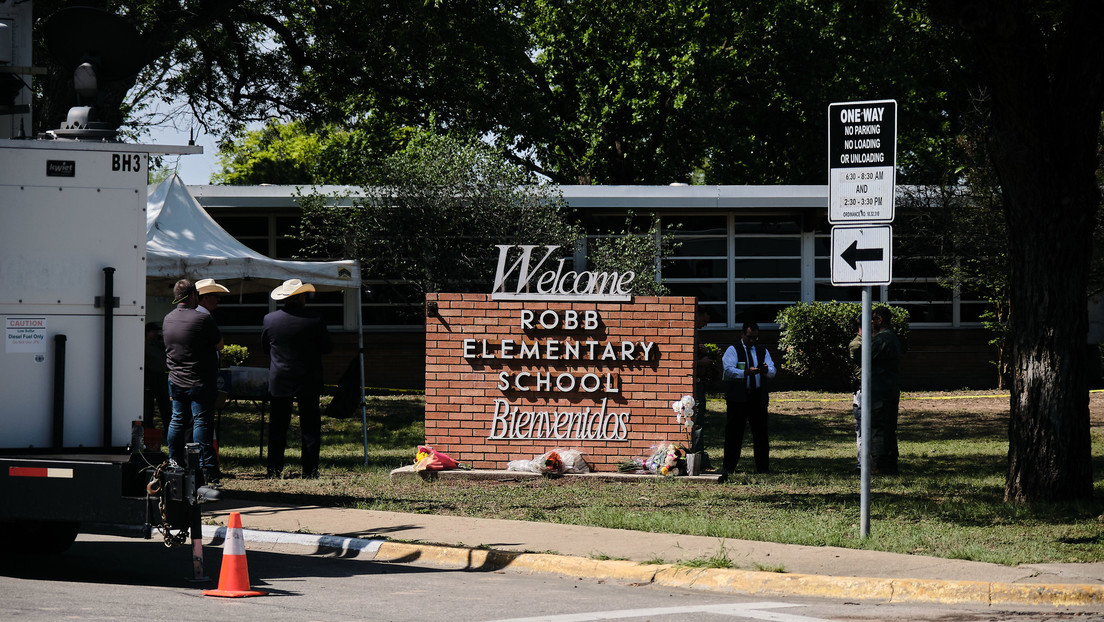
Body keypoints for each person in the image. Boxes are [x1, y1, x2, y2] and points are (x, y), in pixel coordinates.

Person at [262, 279, 332, 479]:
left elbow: (266, 348)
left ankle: (274, 470)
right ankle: (309, 471)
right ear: (300, 296)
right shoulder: (315, 319)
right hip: (308, 377)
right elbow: (327, 347)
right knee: (310, 427)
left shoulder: (270, 319)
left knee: (278, 426)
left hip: (280, 377)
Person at [162, 279, 224, 485]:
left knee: (177, 420)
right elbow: (220, 345)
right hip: (200, 380)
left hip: (176, 379)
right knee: (201, 422)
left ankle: (174, 461)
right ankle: (207, 469)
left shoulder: (168, 319)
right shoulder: (202, 319)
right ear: (193, 296)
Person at [720, 322, 776, 476]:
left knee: (761, 434)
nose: (752, 341)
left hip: (757, 396)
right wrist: (745, 372)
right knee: (734, 433)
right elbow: (728, 370)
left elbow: (773, 371)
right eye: (750, 337)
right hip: (738, 397)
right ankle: (729, 467)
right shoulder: (733, 349)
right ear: (742, 334)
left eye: (755, 338)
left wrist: (766, 370)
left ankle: (763, 468)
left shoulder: (762, 350)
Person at [853, 306, 902, 474]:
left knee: (878, 429)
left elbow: (859, 356)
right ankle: (891, 465)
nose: (871, 323)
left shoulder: (882, 339)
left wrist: (870, 338)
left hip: (879, 392)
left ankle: (880, 466)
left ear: (879, 320)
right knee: (889, 429)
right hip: (890, 390)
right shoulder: (892, 337)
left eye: (873, 319)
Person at [690, 305, 714, 466]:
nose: (705, 324)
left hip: (700, 382)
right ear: (697, 315)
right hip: (694, 383)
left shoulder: (696, 333)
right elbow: (684, 362)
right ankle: (697, 457)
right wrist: (702, 362)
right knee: (697, 421)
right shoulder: (690, 332)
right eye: (704, 320)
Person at [143, 322, 171, 434]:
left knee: (165, 406)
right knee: (148, 407)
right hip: (149, 377)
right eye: (153, 332)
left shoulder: (159, 345)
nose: (156, 334)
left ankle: (169, 428)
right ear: (147, 333)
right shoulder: (144, 346)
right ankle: (149, 430)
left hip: (161, 377)